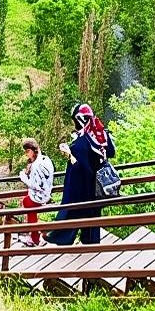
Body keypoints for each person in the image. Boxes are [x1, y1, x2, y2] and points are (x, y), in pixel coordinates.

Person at [48, 104, 116, 247]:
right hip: (99, 185)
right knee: (93, 214)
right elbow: (110, 152)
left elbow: (79, 166)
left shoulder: (80, 143)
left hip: (84, 185)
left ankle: (61, 237)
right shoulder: (101, 135)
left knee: (73, 210)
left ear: (79, 120)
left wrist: (69, 154)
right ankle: (91, 243)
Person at [18, 138, 55, 247]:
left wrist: (23, 177)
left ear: (31, 150)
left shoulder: (36, 165)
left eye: (26, 151)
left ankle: (34, 237)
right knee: (26, 202)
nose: (26, 154)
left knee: (27, 202)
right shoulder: (46, 159)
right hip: (47, 193)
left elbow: (36, 185)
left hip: (40, 195)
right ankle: (32, 235)